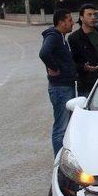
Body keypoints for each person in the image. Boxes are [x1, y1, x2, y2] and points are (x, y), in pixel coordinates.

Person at [39, 9, 77, 156]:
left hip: (65, 86)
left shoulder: (60, 37)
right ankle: (58, 163)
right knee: (61, 128)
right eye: (69, 20)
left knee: (66, 126)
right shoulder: (54, 36)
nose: (72, 23)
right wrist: (54, 67)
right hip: (60, 89)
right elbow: (44, 53)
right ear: (61, 22)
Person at [68, 4, 98, 97]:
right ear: (81, 17)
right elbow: (72, 62)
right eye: (89, 15)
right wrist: (84, 68)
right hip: (86, 86)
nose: (93, 17)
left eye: (94, 14)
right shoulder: (74, 38)